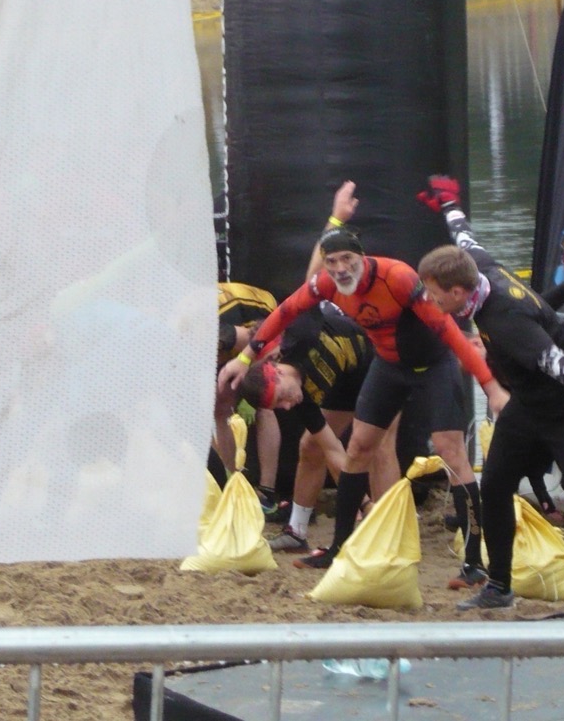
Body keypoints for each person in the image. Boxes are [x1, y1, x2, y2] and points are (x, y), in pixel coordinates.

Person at [219, 182, 509, 586]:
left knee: (450, 452)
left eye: (346, 260)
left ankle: (474, 561)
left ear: (362, 257)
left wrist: (490, 386)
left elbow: (448, 331)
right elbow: (285, 311)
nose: (340, 269)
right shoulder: (326, 285)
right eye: (332, 261)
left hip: (431, 365)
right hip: (386, 366)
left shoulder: (398, 278)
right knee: (357, 449)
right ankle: (340, 547)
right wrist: (245, 358)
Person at [415, 175, 564, 609]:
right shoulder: (477, 267)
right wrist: (449, 205)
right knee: (495, 486)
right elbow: (465, 237)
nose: (430, 302)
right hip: (530, 404)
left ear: (458, 292)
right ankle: (500, 587)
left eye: (433, 295)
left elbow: (559, 364)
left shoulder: (507, 319)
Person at [237, 301, 400, 552]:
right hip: (346, 380)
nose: (287, 406)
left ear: (277, 371)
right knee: (312, 446)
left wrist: (245, 355)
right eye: (280, 406)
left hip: (381, 361)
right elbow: (333, 449)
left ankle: (390, 535)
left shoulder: (300, 336)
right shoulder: (301, 399)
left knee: (379, 445)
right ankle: (297, 532)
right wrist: (364, 504)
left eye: (282, 398)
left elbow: (305, 297)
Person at [214, 281, 285, 518]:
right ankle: (234, 486)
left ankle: (266, 492)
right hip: (219, 324)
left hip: (258, 316)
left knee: (264, 398)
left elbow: (254, 344)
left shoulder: (218, 332)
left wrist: (247, 392)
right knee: (219, 407)